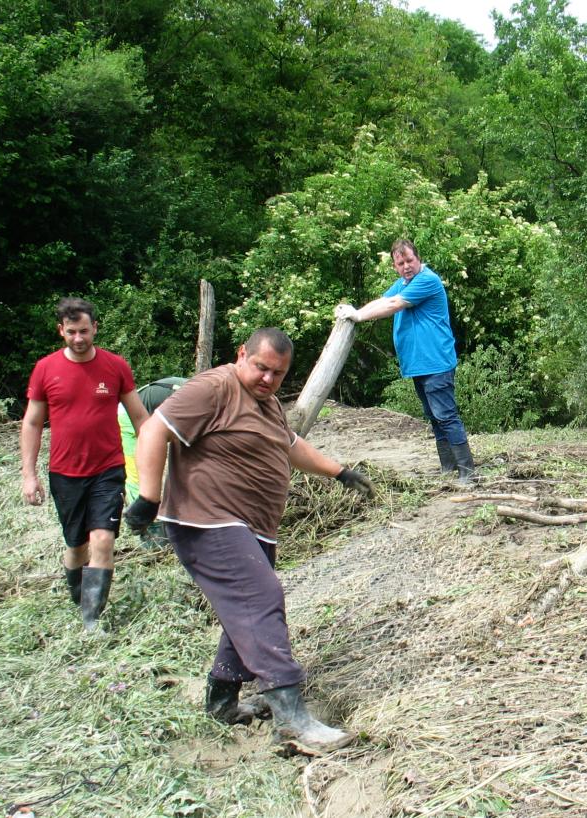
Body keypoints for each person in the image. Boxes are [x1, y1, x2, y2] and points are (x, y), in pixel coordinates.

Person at [124, 328, 374, 753]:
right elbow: (153, 430)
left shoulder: (268, 404)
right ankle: (292, 717)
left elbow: (290, 445)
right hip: (206, 520)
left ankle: (221, 702)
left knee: (244, 610)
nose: (268, 379)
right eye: (261, 368)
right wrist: (149, 496)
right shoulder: (214, 387)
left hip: (250, 526)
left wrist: (339, 471)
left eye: (278, 374)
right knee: (260, 599)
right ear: (242, 354)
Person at [21, 297, 149, 631]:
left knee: (103, 540)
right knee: (76, 546)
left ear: (95, 328)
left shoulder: (115, 366)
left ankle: (93, 621)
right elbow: (32, 423)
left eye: (85, 331)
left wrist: (156, 460)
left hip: (107, 470)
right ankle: (80, 600)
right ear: (61, 331)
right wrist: (28, 475)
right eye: (72, 331)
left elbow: (139, 417)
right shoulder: (45, 369)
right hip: (65, 473)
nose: (79, 338)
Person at [335, 239, 476, 484]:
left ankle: (468, 473)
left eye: (409, 260)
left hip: (436, 362)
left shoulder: (427, 280)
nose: (406, 266)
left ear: (418, 258)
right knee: (434, 416)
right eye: (400, 263)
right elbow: (382, 300)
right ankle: (448, 468)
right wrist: (354, 310)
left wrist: (357, 316)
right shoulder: (403, 283)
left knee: (446, 415)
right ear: (395, 266)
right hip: (420, 365)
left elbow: (393, 305)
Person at [119, 377, 187, 545]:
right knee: (140, 474)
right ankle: (149, 530)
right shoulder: (195, 399)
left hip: (153, 419)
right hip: (128, 417)